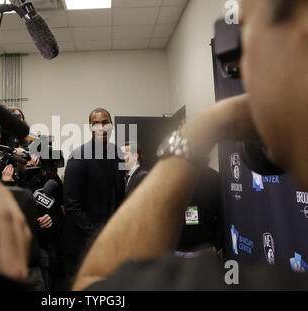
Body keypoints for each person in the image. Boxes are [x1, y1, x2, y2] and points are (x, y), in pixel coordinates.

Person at [73, 0, 308, 291]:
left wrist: (203, 129)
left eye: (242, 36)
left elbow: (95, 285)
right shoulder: (78, 158)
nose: (235, 58)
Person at [59, 108, 125, 289]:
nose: (101, 127)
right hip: (80, 246)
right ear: (90, 128)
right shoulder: (78, 157)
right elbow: (72, 206)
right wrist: (98, 234)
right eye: (96, 123)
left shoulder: (117, 154)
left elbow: (119, 197)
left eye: (105, 122)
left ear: (111, 126)